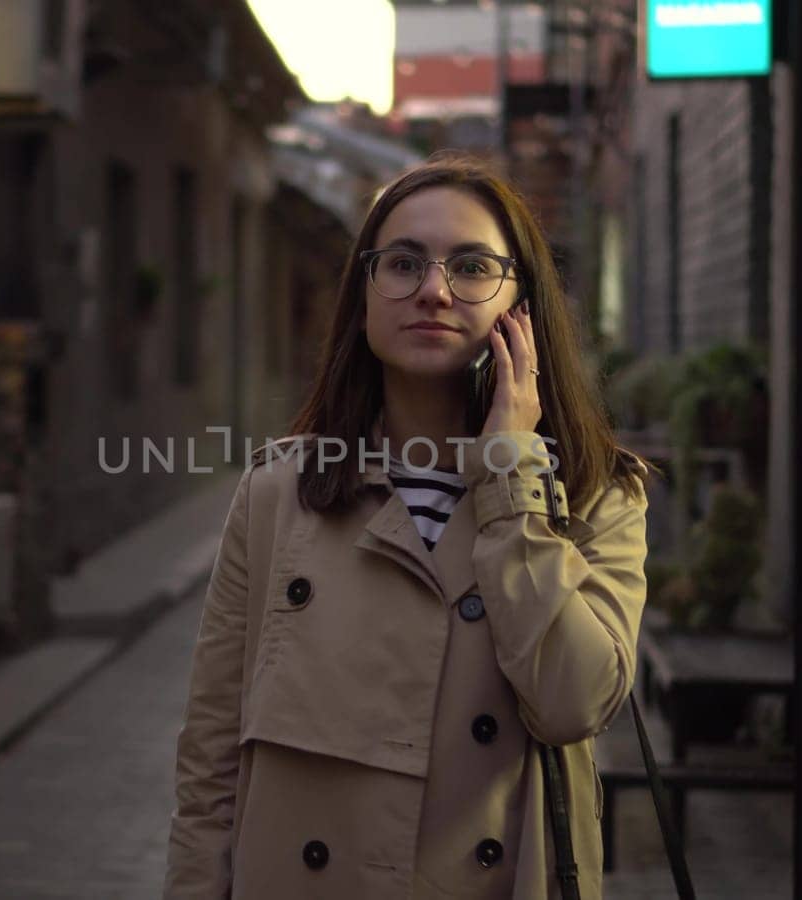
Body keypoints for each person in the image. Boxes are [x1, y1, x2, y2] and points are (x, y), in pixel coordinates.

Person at [163, 154, 650, 899]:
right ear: (363, 296)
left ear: (522, 306)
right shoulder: (277, 493)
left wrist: (511, 475)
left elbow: (572, 702)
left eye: (473, 265)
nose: (433, 290)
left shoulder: (592, 494)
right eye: (402, 262)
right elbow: (209, 763)